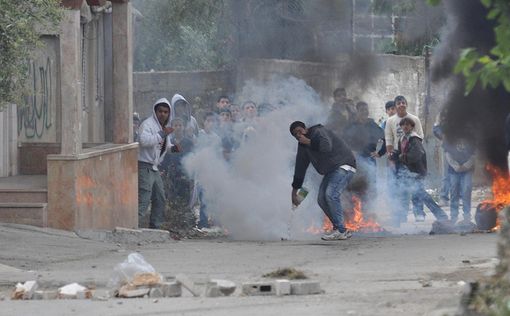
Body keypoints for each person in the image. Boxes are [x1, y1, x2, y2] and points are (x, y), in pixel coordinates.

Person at [290, 121, 357, 241]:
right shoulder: (302, 146)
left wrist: (309, 142)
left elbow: (326, 146)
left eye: (300, 131)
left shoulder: (317, 131)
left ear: (305, 129)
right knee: (321, 199)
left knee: (330, 195)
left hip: (343, 165)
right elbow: (300, 167)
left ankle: (340, 230)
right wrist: (295, 190)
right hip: (331, 171)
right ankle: (340, 228)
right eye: (296, 134)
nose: (299, 135)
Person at [393, 118, 448, 222]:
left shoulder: (415, 139)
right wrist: (395, 155)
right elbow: (401, 153)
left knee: (421, 194)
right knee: (410, 193)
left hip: (416, 172)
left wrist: (401, 157)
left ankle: (440, 215)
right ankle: (410, 216)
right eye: (403, 125)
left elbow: (416, 155)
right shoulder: (402, 139)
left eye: (408, 125)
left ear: (412, 127)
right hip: (407, 172)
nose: (405, 126)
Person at [138, 98, 178, 229]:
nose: (163, 114)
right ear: (155, 112)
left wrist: (173, 148)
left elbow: (163, 146)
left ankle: (155, 226)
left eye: (166, 112)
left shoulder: (163, 128)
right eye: (160, 111)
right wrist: (162, 134)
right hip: (144, 166)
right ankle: (133, 226)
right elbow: (144, 141)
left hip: (154, 168)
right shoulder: (147, 124)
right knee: (144, 198)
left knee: (160, 198)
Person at [385, 95, 425, 223]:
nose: (401, 105)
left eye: (403, 103)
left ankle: (419, 213)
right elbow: (389, 140)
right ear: (395, 106)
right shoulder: (390, 121)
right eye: (398, 103)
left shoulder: (415, 119)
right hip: (399, 160)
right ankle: (401, 215)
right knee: (401, 188)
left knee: (417, 186)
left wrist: (413, 154)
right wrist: (391, 159)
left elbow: (420, 137)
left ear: (406, 104)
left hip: (414, 160)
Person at [343, 101, 386, 203]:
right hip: (353, 161)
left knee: (370, 185)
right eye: (362, 110)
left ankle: (369, 210)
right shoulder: (351, 126)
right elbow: (342, 141)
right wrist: (350, 151)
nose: (365, 112)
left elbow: (386, 138)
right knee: (354, 185)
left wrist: (380, 153)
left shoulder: (373, 125)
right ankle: (354, 210)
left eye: (366, 110)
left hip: (369, 160)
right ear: (357, 111)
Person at [160, 117, 195, 232]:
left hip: (185, 177)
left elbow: (194, 158)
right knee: (172, 201)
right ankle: (173, 227)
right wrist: (163, 170)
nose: (178, 127)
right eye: (175, 125)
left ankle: (185, 227)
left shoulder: (188, 143)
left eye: (180, 125)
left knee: (185, 202)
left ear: (184, 127)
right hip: (172, 178)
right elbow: (165, 158)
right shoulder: (169, 142)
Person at [444, 136, 476, 224]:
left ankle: (467, 217)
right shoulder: (450, 136)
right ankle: (453, 217)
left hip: (468, 170)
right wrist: (456, 166)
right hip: (454, 171)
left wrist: (466, 166)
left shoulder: (471, 138)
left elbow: (474, 155)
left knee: (466, 191)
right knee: (454, 192)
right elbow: (447, 154)